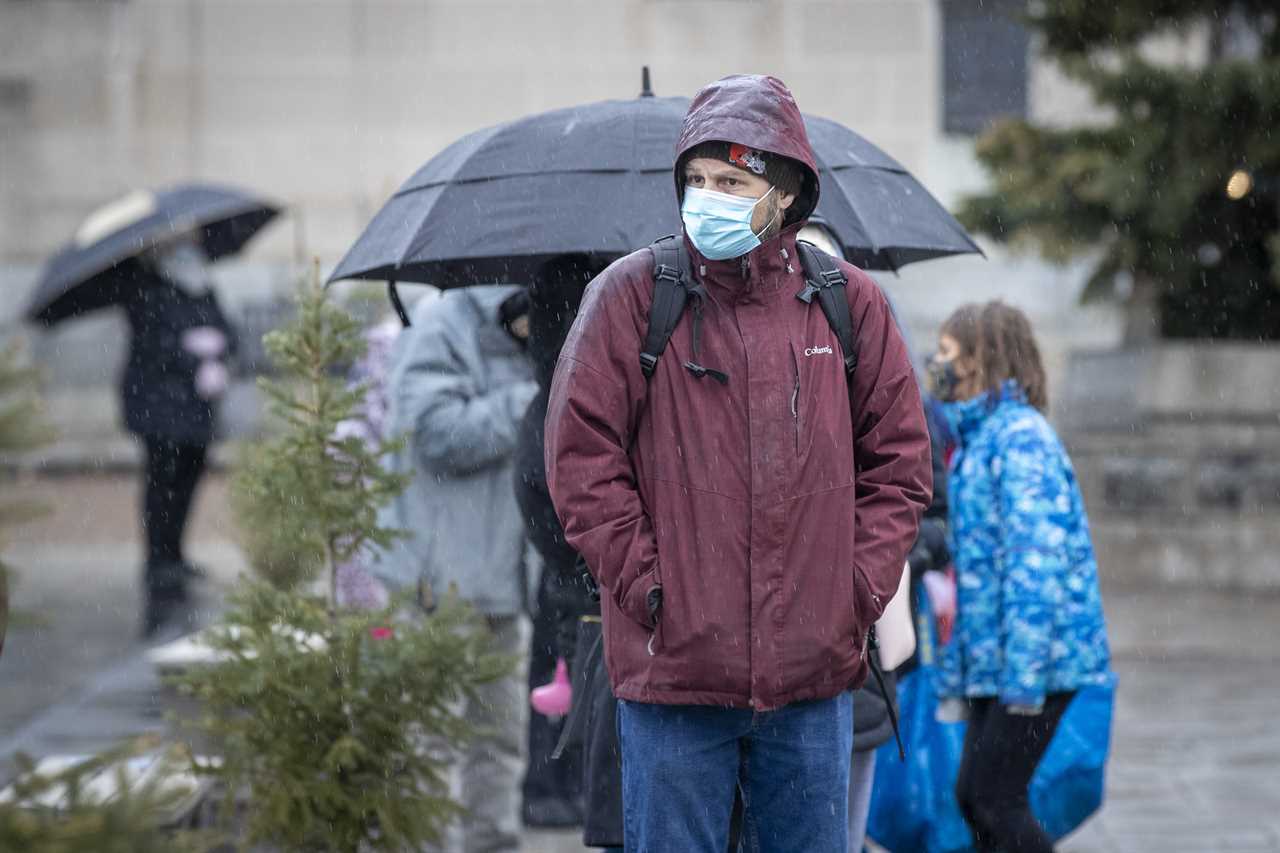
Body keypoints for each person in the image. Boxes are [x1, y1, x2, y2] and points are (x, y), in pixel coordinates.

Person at [545, 74, 933, 852]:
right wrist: (654, 587)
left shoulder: (848, 305)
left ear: (784, 193)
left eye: (730, 180)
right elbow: (580, 461)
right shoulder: (630, 296)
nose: (707, 197)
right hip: (674, 680)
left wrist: (851, 592)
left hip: (811, 684)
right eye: (695, 180)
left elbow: (899, 468)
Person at [930, 301, 1111, 853]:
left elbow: (1037, 568)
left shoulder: (1020, 440)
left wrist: (1024, 682)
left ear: (983, 360)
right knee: (975, 798)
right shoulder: (982, 439)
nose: (934, 364)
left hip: (1035, 665)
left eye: (946, 353)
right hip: (1001, 662)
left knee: (992, 799)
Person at [371, 285, 538, 853]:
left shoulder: (546, 318)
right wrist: (531, 403)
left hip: (500, 578)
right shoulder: (442, 321)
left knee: (499, 737)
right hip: (434, 580)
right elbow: (436, 434)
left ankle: (492, 842)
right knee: (429, 740)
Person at [122, 235, 236, 638]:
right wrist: (191, 353)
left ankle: (176, 552)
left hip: (196, 410)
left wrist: (217, 349)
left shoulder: (203, 289)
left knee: (188, 479)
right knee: (161, 482)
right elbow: (152, 344)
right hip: (158, 407)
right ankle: (158, 558)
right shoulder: (146, 289)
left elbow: (228, 332)